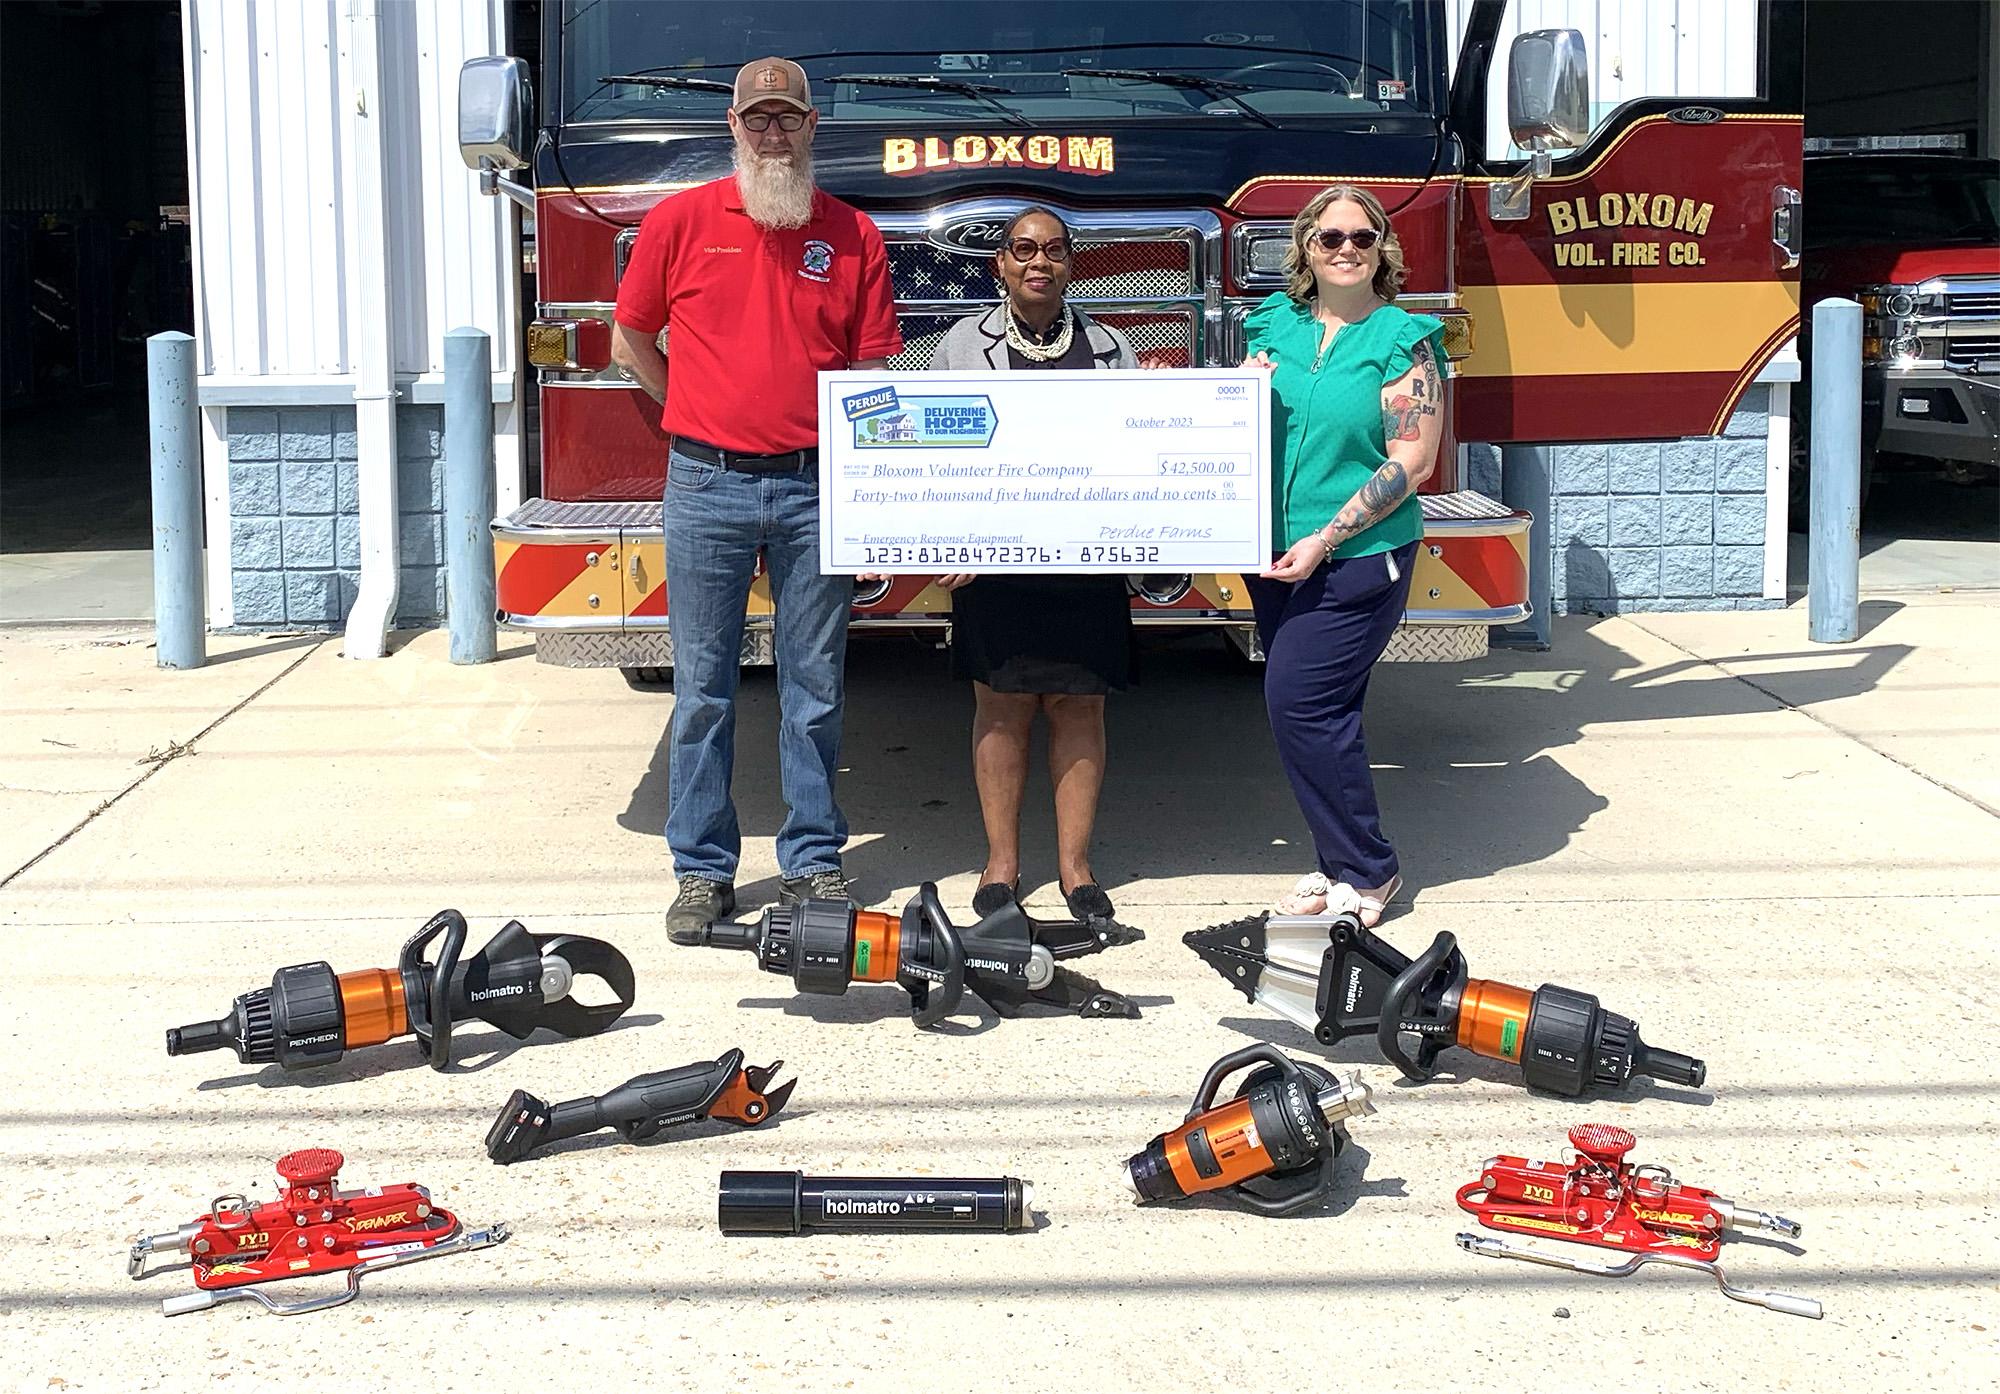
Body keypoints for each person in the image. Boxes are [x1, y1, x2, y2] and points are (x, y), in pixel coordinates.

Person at [610, 58, 903, 939]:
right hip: (707, 484)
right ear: (732, 130)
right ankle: (702, 871)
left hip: (819, 485)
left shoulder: (853, 234)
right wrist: (696, 412)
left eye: (788, 120)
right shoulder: (681, 220)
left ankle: (813, 862)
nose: (773, 136)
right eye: (757, 121)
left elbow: (876, 372)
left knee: (815, 687)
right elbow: (631, 340)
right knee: (703, 689)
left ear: (813, 127)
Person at [1241, 185, 1447, 928]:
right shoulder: (1273, 326)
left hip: (1359, 555)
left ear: (1381, 248)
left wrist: (1326, 537)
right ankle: (1336, 866)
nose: (1347, 250)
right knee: (1328, 714)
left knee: (1298, 702)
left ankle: (1369, 868)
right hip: (1270, 551)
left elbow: (1410, 463)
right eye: (1331, 239)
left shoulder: (1402, 341)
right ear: (1306, 249)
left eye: (1363, 237)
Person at [927, 207, 1138, 924]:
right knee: (1001, 704)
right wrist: (946, 538)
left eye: (1052, 250)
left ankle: (1076, 869)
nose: (1037, 262)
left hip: (1086, 561)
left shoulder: (1112, 348)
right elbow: (935, 453)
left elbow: (1136, 458)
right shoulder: (960, 345)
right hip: (995, 561)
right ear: (1001, 266)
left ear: (1071, 264)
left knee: (1081, 704)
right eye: (1022, 250)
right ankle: (1002, 865)